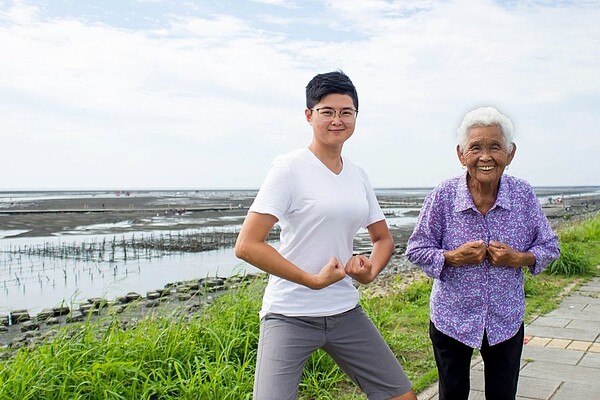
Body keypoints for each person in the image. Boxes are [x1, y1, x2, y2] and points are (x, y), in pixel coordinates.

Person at [235, 71, 416, 400]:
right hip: (289, 313)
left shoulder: (357, 174)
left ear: (355, 117)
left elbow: (383, 239)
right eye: (327, 111)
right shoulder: (289, 167)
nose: (337, 120)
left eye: (346, 112)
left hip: (345, 310)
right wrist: (310, 279)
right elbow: (247, 245)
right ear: (309, 115)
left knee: (401, 396)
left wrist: (370, 271)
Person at [405, 106, 560, 400]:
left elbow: (550, 247)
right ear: (461, 154)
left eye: (495, 147)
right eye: (475, 147)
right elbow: (416, 249)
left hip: (505, 319)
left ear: (510, 154)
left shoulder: (523, 195)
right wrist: (452, 257)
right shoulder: (443, 196)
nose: (485, 157)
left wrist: (520, 258)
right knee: (452, 394)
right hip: (452, 318)